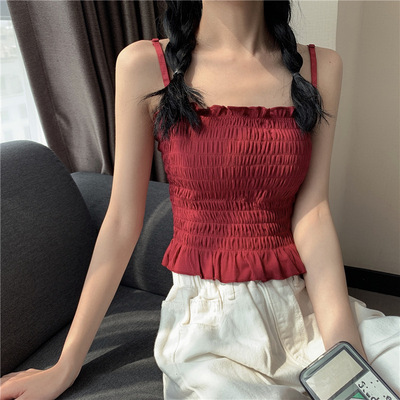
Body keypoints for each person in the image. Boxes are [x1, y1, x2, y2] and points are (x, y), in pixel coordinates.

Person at [1, 1, 399, 399]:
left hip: (303, 304)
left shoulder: (321, 68)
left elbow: (312, 215)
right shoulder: (145, 66)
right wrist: (66, 364)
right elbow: (121, 223)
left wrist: (348, 355)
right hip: (212, 324)